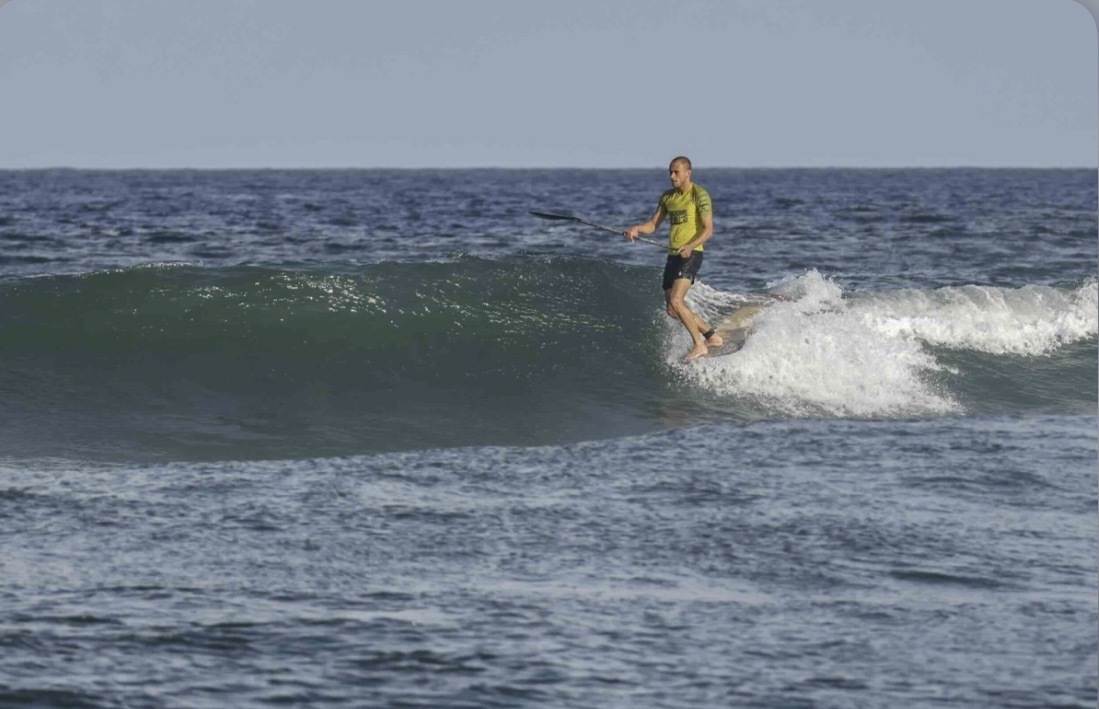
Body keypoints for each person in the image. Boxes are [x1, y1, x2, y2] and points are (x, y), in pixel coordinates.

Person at [625, 156, 723, 361]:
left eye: (676, 172)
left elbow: (708, 230)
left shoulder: (699, 195)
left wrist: (691, 246)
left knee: (677, 300)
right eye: (670, 172)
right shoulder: (667, 197)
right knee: (671, 309)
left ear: (688, 173)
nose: (672, 176)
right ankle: (712, 336)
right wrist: (637, 229)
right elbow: (653, 225)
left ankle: (699, 345)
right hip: (673, 256)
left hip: (692, 254)